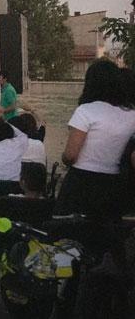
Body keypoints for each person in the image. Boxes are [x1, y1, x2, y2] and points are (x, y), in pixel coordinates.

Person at [55, 60, 135, 221]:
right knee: (103, 235)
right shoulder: (130, 114)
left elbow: (71, 155)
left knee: (68, 234)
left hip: (81, 182)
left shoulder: (85, 111)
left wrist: (64, 159)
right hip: (112, 183)